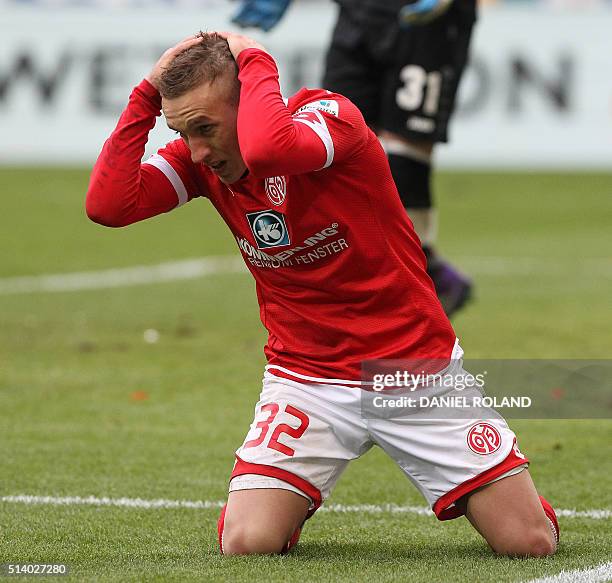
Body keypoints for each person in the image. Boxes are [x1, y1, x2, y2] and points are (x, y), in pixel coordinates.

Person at [85, 32, 558, 556]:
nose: (197, 149)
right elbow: (109, 204)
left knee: (527, 543)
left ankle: (520, 499)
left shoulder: (330, 119)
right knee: (247, 542)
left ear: (247, 105)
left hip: (410, 369)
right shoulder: (202, 163)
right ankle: (277, 497)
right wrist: (145, 97)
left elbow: (270, 148)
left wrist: (254, 55)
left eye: (205, 128)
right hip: (304, 378)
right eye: (183, 131)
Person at [233, 0, 475, 317]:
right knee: (339, 136)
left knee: (406, 154)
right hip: (357, 13)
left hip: (426, 24)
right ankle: (413, 278)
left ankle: (414, 279)